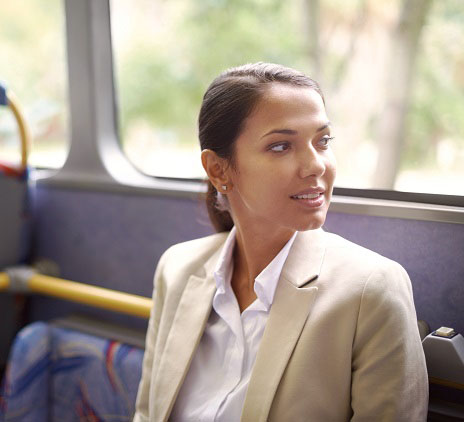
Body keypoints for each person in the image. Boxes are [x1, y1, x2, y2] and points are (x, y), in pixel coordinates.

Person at [133, 62, 428, 422]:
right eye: (281, 146)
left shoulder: (371, 291)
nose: (315, 165)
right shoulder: (177, 268)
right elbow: (147, 414)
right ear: (218, 170)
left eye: (323, 141)